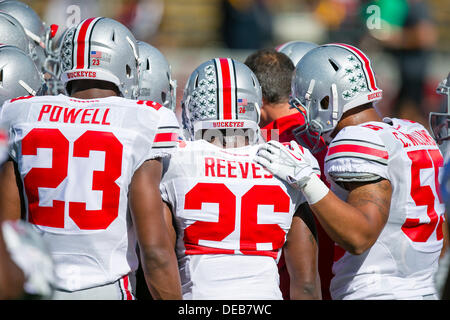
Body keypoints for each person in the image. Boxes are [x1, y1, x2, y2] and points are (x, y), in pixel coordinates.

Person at [0, 17, 181, 300]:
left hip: (37, 288)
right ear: (125, 65)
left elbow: (7, 235)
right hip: (108, 289)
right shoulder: (145, 119)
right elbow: (155, 252)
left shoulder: (20, 113)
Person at [256, 43, 445, 300]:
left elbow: (359, 237)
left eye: (307, 102)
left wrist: (306, 180)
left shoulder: (354, 140)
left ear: (327, 99)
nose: (304, 112)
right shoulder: (414, 131)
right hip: (425, 288)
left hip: (375, 292)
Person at [160, 57, 321, 299]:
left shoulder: (176, 159)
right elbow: (306, 283)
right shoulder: (287, 160)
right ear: (255, 105)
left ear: (194, 106)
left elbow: (157, 256)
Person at [244, 47, 333, 300]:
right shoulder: (334, 137)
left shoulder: (261, 144)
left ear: (256, 99)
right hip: (344, 280)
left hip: (289, 286)